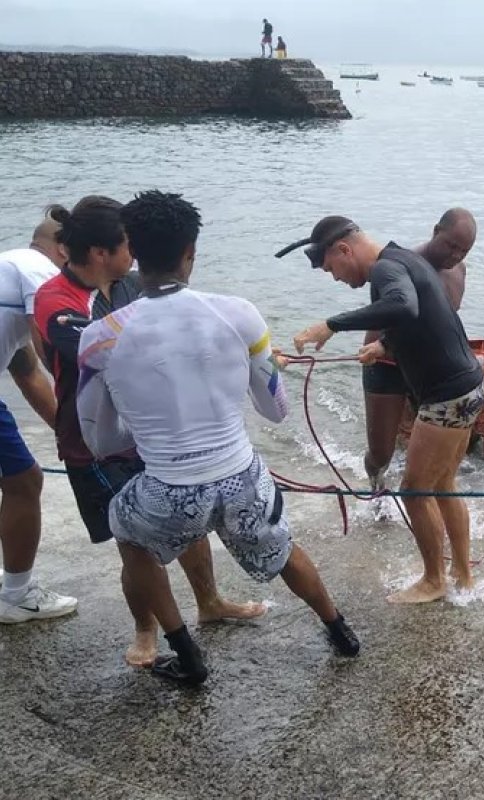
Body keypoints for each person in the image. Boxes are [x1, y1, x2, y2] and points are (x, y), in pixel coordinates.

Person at [76, 191, 359, 684]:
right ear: (191, 252)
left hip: (166, 488)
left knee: (127, 531)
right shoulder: (240, 314)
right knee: (283, 548)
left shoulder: (99, 337)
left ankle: (186, 654)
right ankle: (339, 631)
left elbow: (99, 437)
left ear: (134, 253)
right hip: (240, 477)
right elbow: (275, 410)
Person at [34, 195, 262, 667]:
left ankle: (210, 602)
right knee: (132, 543)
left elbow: (172, 323)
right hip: (93, 446)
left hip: (152, 437)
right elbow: (95, 350)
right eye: (126, 245)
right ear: (101, 252)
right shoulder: (56, 298)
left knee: (190, 521)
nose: (134, 253)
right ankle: (146, 630)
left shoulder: (131, 285)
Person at [284, 216, 484, 604]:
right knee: (443, 484)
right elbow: (422, 315)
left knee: (414, 489)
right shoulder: (403, 259)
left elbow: (401, 305)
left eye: (331, 268)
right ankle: (461, 574)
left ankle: (433, 581)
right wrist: (384, 346)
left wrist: (331, 324)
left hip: (447, 396)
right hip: (472, 385)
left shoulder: (386, 269)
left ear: (344, 250)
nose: (335, 278)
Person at [358, 208, 477, 491]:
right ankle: (376, 486)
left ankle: (427, 492)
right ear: (436, 230)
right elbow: (391, 316)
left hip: (430, 370)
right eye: (451, 245)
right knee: (380, 453)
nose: (455, 255)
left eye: (464, 250)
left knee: (437, 456)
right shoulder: (399, 266)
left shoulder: (459, 271)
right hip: (386, 363)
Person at [0, 211, 77, 624]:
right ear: (64, 249)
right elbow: (50, 343)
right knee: (24, 481)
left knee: (19, 479)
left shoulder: (8, 269)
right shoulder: (39, 270)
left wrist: (69, 436)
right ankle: (16, 595)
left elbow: (28, 372)